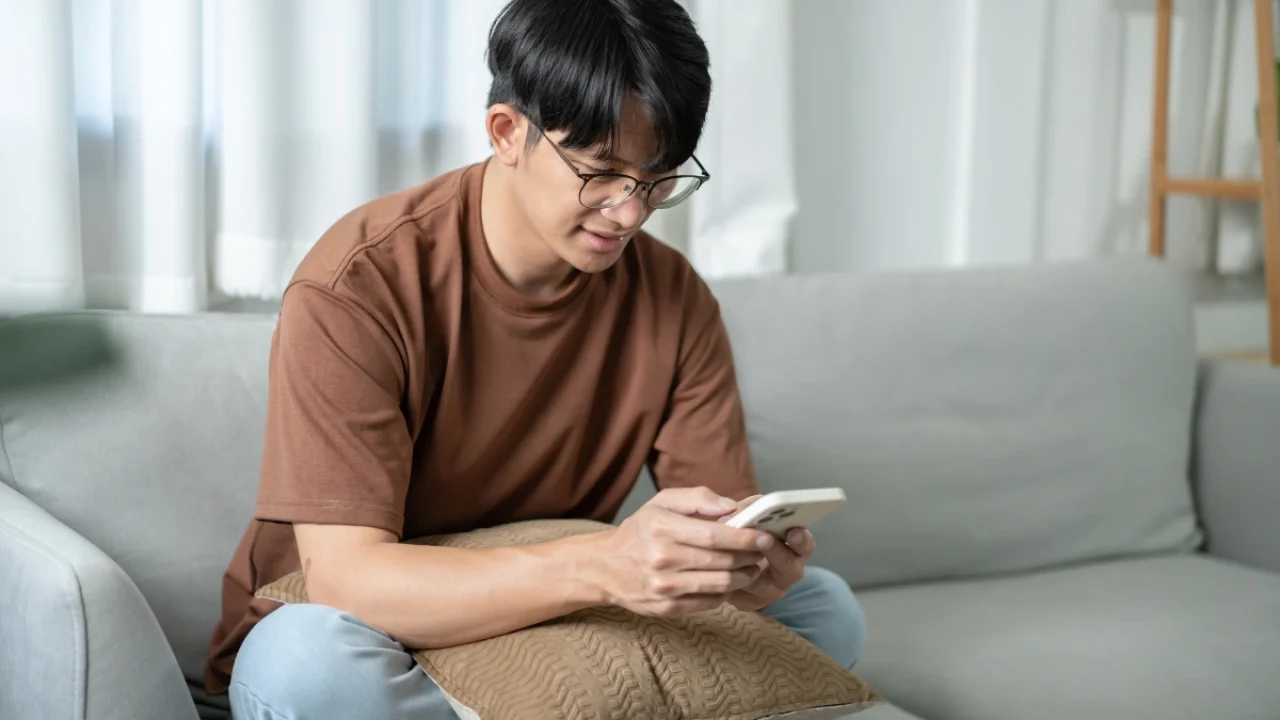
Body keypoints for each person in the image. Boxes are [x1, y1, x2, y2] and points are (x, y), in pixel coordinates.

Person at [206, 0, 866, 717]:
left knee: (823, 610)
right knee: (307, 666)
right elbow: (347, 579)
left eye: (658, 178)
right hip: (376, 627)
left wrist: (740, 572)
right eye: (601, 172)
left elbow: (715, 530)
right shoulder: (359, 284)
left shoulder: (676, 299)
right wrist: (604, 566)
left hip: (553, 620)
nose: (631, 212)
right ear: (507, 133)